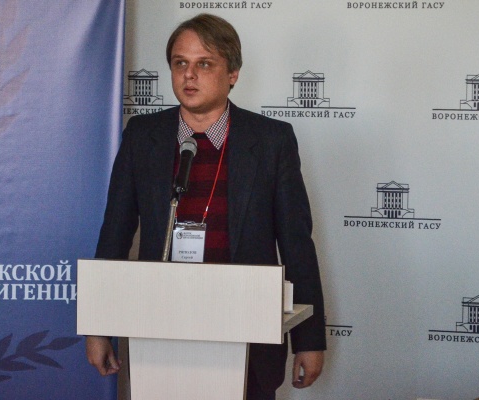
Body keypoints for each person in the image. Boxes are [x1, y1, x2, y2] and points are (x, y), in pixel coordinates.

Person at [86, 13, 326, 399]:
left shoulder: (271, 141)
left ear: (233, 74)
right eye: (180, 63)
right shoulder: (142, 137)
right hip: (160, 331)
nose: (189, 75)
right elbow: (115, 233)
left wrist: (309, 340)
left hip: (247, 332)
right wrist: (98, 327)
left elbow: (297, 244)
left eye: (205, 64)